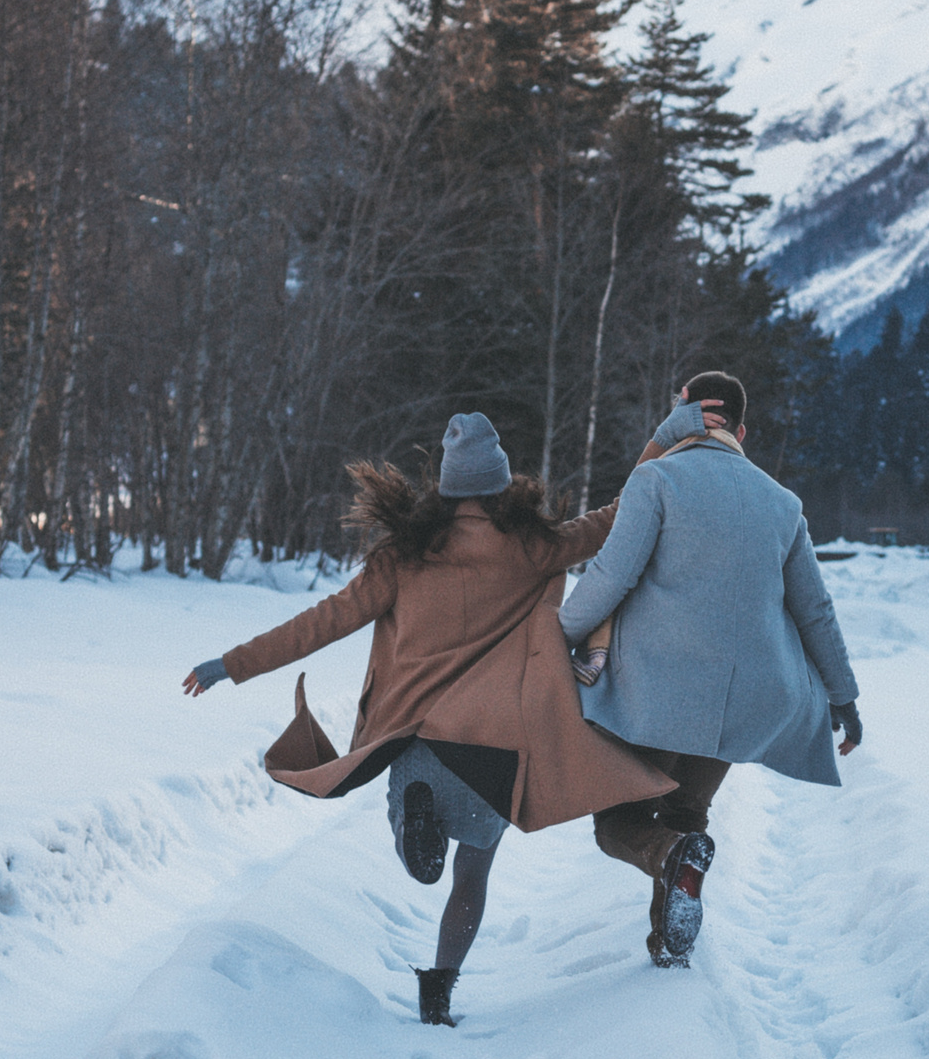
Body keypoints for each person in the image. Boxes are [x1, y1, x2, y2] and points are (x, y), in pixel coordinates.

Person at [181, 413, 676, 1026]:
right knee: (472, 873)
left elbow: (320, 623)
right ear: (500, 484)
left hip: (414, 739)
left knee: (423, 837)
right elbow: (619, 515)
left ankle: (417, 820)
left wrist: (230, 664)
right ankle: (438, 993)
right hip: (495, 745)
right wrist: (666, 433)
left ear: (444, 485)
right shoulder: (533, 547)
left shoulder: (403, 557)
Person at [559, 372, 862, 966]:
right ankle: (669, 947)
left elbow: (612, 577)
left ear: (680, 418)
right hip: (744, 704)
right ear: (742, 430)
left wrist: (554, 640)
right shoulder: (782, 504)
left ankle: (673, 863)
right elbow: (815, 610)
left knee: (618, 823)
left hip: (658, 697)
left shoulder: (657, 480)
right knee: (686, 814)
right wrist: (843, 696)